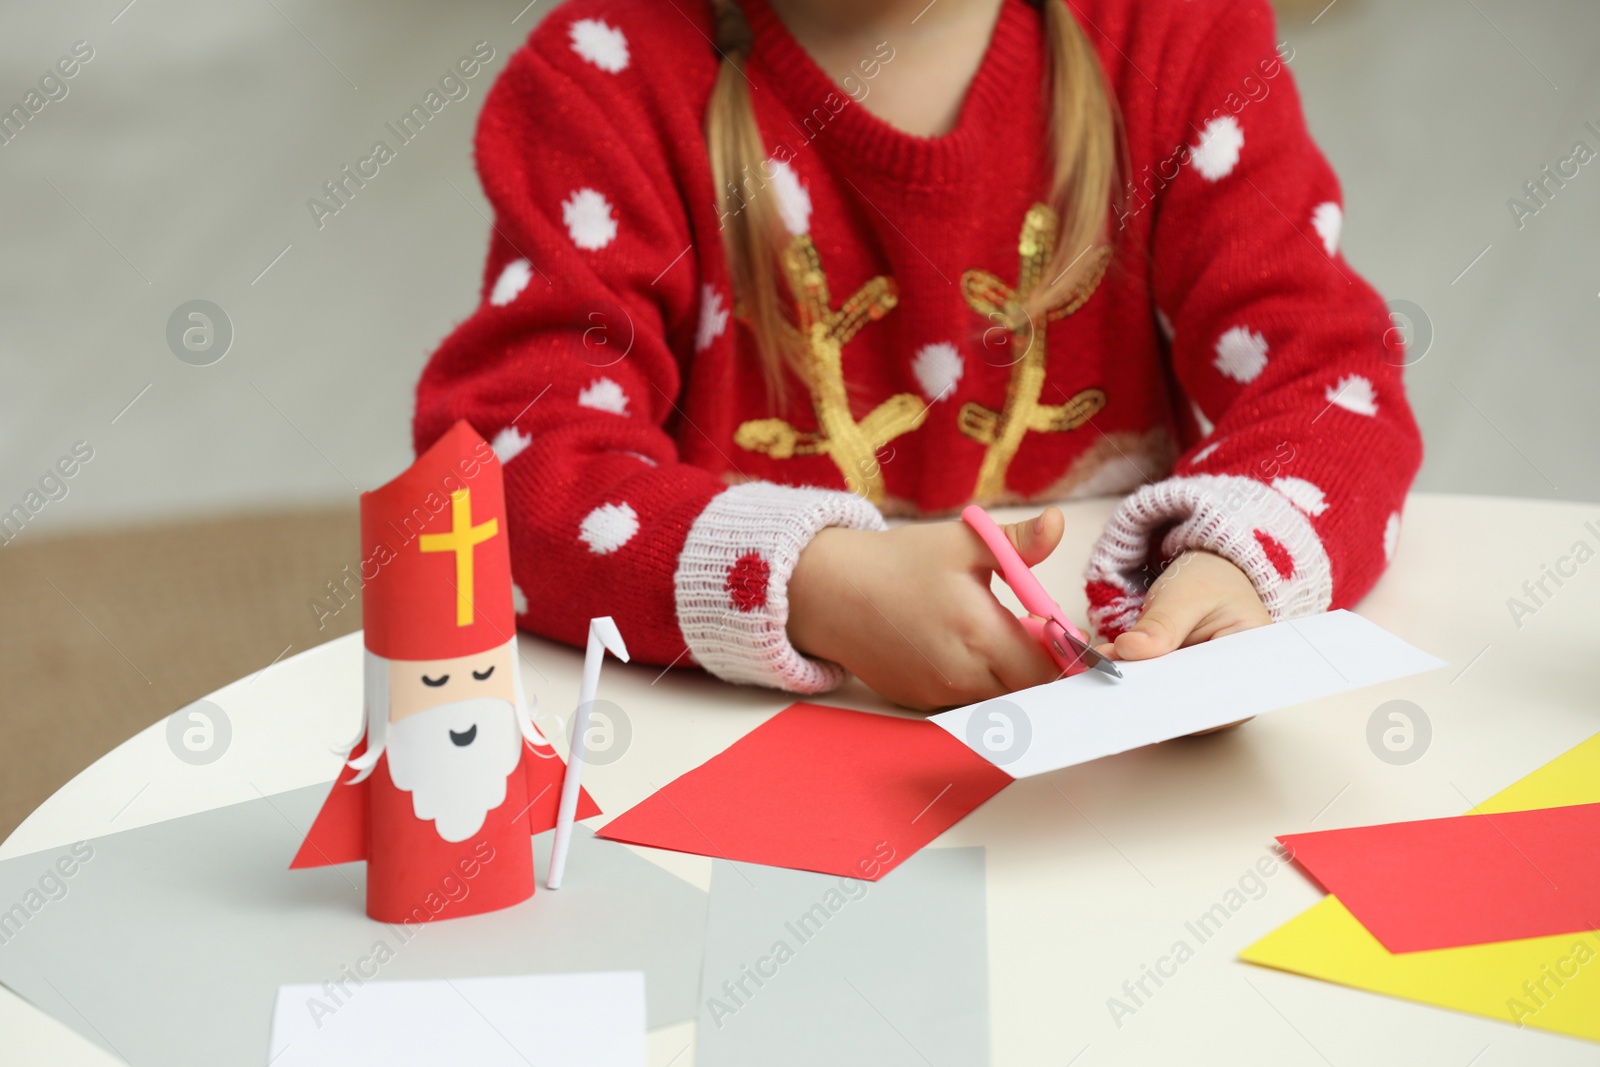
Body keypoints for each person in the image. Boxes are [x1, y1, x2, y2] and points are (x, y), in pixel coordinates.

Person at [413, 0, 1421, 710]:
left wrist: (1233, 561)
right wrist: (812, 585)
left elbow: (1328, 379)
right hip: (761, 769)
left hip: (1106, 740)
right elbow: (496, 477)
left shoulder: (1176, 32)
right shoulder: (601, 78)